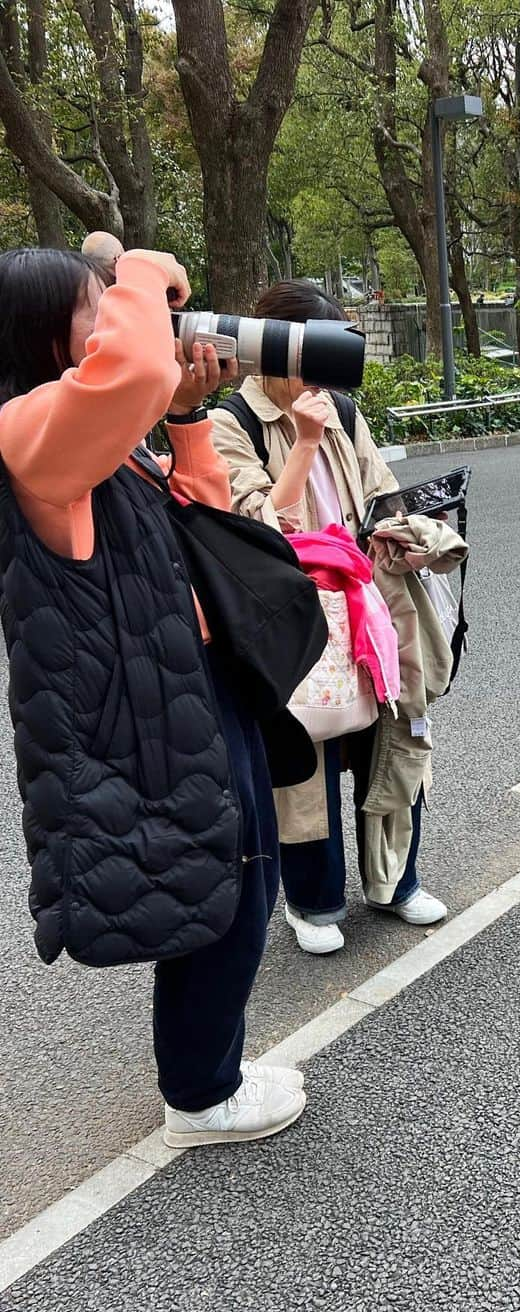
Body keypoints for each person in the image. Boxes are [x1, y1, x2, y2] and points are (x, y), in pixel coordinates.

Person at [0, 245, 306, 1147]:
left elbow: (199, 525)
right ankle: (201, 1095)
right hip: (144, 716)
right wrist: (133, 266)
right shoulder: (23, 429)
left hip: (194, 688)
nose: (129, 323)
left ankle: (218, 1067)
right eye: (97, 309)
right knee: (215, 897)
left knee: (247, 878)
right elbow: (130, 361)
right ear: (43, 329)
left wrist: (184, 420)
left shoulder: (97, 437)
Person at [211, 281, 466, 955]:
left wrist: (405, 532)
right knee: (308, 760)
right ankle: (313, 901)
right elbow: (259, 525)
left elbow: (380, 496)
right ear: (276, 347)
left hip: (368, 606)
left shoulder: (346, 413)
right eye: (312, 351)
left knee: (396, 738)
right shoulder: (228, 423)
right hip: (291, 619)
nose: (321, 370)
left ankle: (394, 884)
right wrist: (302, 441)